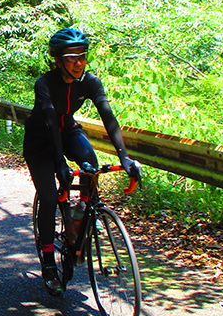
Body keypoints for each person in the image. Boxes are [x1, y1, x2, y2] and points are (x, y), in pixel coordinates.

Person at [24, 27, 142, 296]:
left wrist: (125, 157)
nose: (78, 63)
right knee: (50, 197)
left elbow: (108, 117)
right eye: (71, 57)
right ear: (57, 60)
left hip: (68, 130)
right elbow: (51, 123)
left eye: (82, 56)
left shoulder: (90, 82)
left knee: (91, 163)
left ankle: (85, 216)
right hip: (40, 140)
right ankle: (49, 263)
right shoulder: (45, 84)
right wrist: (60, 164)